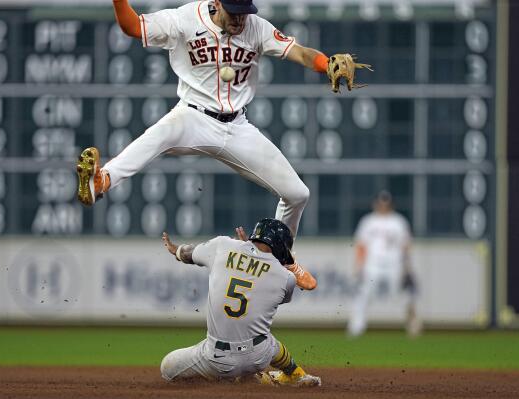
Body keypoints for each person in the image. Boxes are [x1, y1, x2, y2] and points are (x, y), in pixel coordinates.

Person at [76, 0, 370, 239]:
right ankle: (102, 181)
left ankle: (281, 258)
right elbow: (131, 26)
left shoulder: (256, 28)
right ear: (216, 3)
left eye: (245, 10)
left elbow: (301, 53)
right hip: (192, 115)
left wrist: (324, 62)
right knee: (158, 135)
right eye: (235, 10)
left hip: (237, 127)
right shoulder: (184, 19)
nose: (241, 18)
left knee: (298, 194)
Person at [160, 218, 321, 386]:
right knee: (269, 341)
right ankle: (294, 375)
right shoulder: (286, 277)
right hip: (258, 356)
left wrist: (176, 250)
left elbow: (188, 254)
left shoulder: (222, 246)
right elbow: (258, 295)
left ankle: (225, 380)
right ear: (281, 246)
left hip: (217, 358)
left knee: (168, 367)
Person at [347, 191, 422, 337]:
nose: (383, 205)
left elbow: (405, 245)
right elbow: (361, 245)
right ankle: (356, 327)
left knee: (401, 295)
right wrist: (358, 264)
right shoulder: (368, 221)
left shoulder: (399, 221)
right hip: (373, 264)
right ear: (375, 203)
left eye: (386, 203)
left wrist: (407, 265)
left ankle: (412, 324)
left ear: (391, 204)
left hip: (394, 263)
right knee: (364, 294)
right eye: (381, 202)